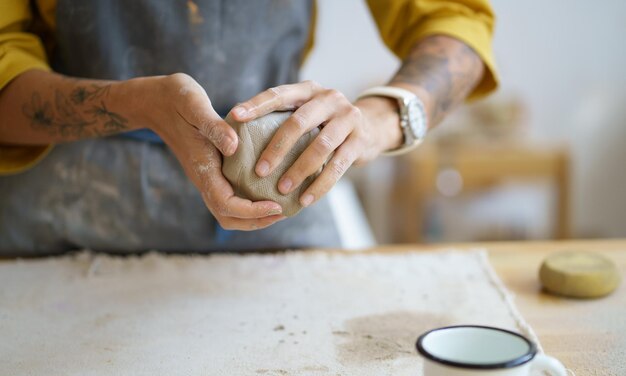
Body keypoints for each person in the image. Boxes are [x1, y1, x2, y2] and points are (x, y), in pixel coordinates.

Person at [0, 0, 498, 255]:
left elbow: (456, 24)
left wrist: (380, 118)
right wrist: (135, 103)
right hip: (66, 207)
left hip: (281, 192)